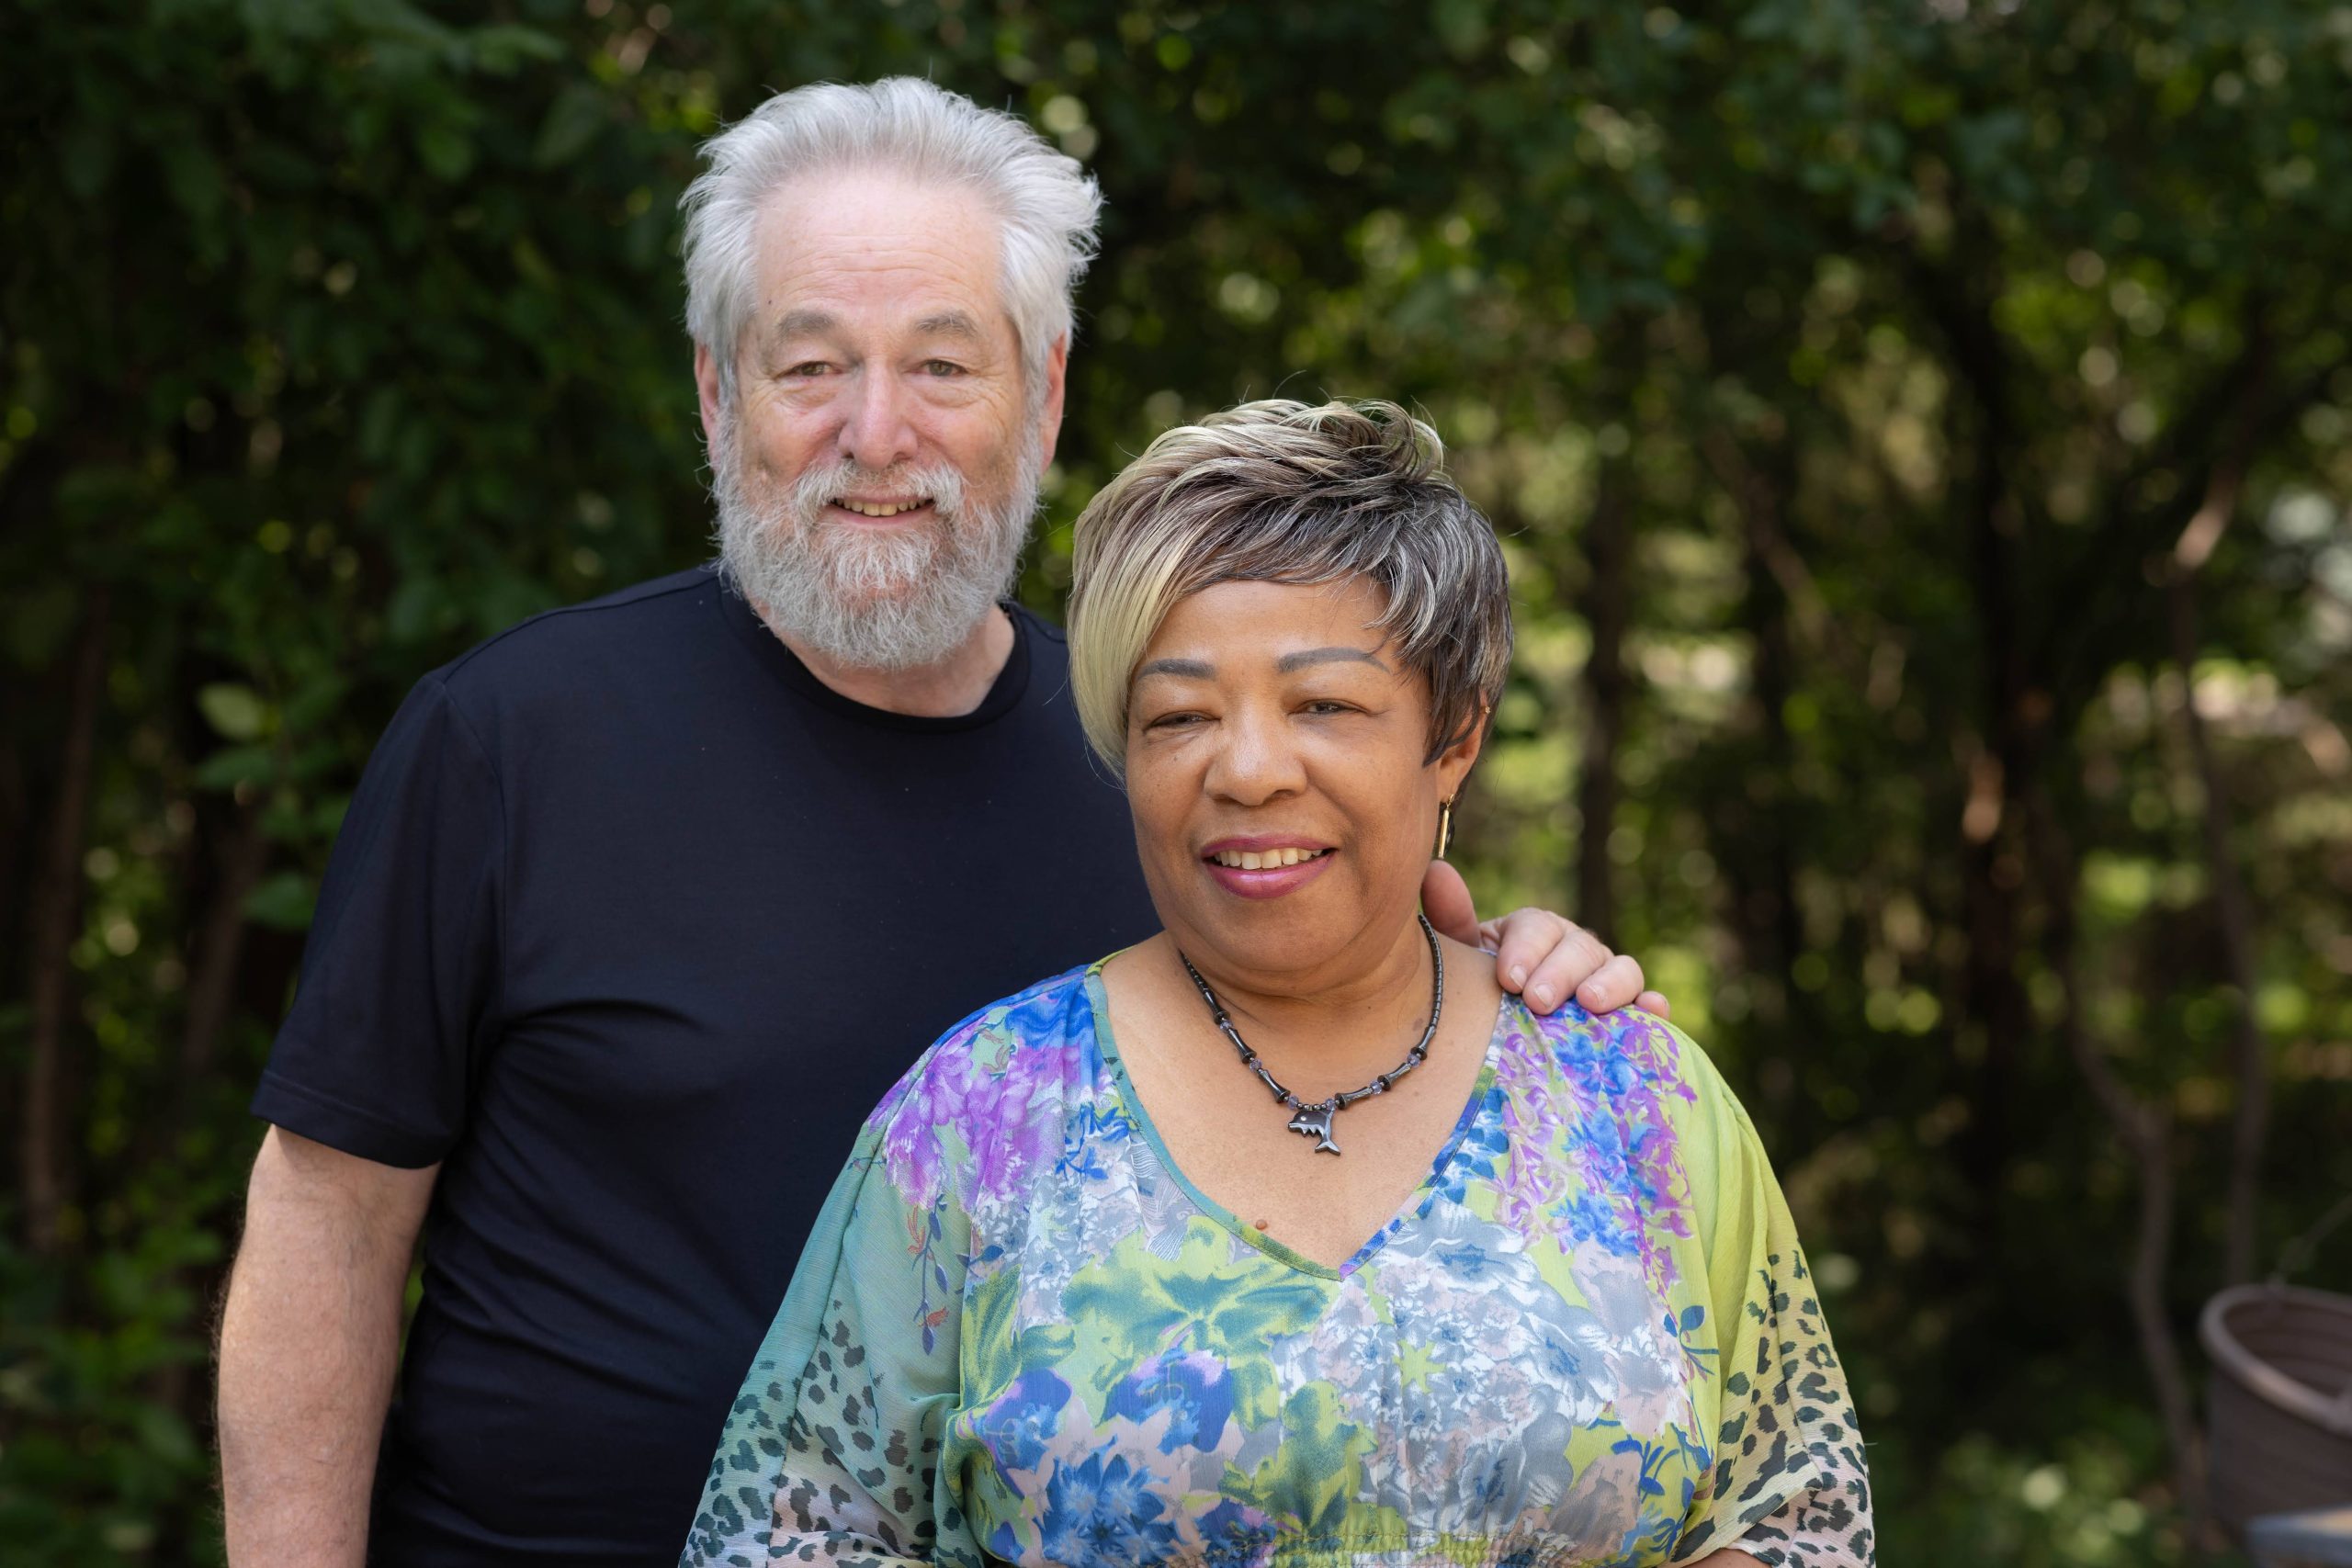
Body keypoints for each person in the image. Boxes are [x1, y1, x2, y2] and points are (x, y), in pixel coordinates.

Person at [213, 81, 1661, 1567]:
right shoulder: (510, 740)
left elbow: (1398, 1035)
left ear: (1042, 394)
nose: (877, 433)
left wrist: (1542, 977)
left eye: (943, 367)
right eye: (811, 366)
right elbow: (329, 1212)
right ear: (720, 396)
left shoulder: (1168, 777)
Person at [684, 400, 1871, 1568]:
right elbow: (781, 1538)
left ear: (1453, 732)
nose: (1247, 770)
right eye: (1180, 716)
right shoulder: (984, 1115)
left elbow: (1800, 1519)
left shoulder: (1635, 1101)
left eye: (1324, 705)